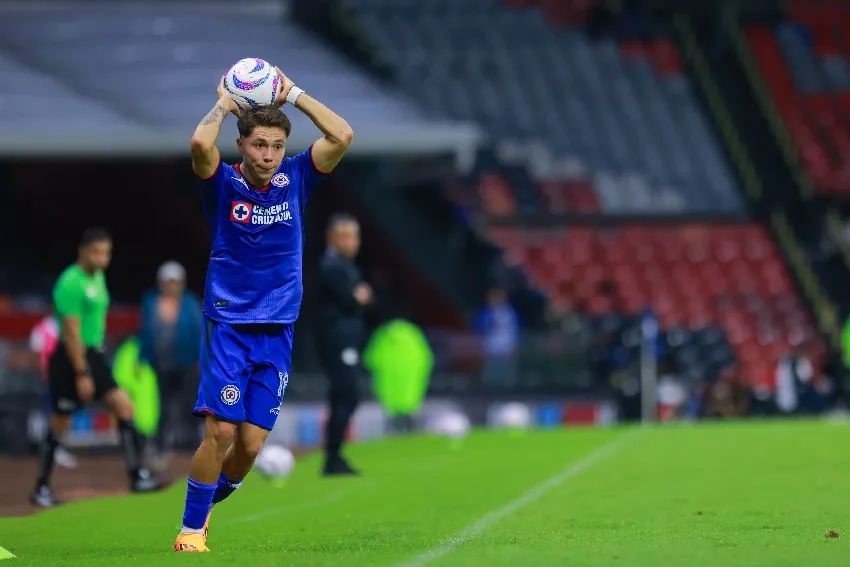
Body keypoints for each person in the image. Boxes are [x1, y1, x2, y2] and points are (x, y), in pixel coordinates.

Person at [174, 66, 353, 552]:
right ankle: (190, 531)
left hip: (278, 327)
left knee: (250, 447)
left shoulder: (297, 177)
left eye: (276, 145)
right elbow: (198, 145)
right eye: (258, 145)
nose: (268, 155)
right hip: (229, 321)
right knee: (221, 431)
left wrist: (292, 92)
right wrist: (224, 103)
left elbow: (342, 134)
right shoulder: (222, 183)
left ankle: (205, 507)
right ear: (242, 144)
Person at [30, 228, 164, 507]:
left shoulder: (98, 277)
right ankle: (41, 487)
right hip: (71, 357)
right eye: (97, 252)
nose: (102, 258)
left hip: (95, 355)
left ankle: (137, 475)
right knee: (60, 422)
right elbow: (71, 332)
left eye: (106, 253)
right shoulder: (70, 283)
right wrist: (82, 373)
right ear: (83, 250)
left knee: (125, 408)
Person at [316, 213, 371, 476]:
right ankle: (332, 457)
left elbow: (362, 297)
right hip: (337, 341)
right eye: (347, 236)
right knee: (347, 394)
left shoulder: (344, 265)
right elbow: (352, 299)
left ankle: (333, 458)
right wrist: (358, 296)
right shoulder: (332, 266)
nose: (353, 242)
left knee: (342, 395)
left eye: (355, 236)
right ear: (333, 239)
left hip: (344, 340)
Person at [138, 261, 203, 462]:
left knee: (190, 405)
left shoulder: (191, 303)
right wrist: (142, 358)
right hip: (161, 363)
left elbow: (199, 333)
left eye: (175, 282)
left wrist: (202, 361)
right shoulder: (150, 302)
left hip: (186, 362)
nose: (171, 286)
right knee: (163, 407)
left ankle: (196, 447)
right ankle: (159, 446)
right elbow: (145, 332)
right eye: (168, 281)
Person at [29, 311, 78, 470]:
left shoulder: (65, 326)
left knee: (63, 414)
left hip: (64, 377)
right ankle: (53, 449)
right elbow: (37, 354)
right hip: (52, 379)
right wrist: (44, 373)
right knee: (53, 413)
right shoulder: (43, 329)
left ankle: (57, 448)